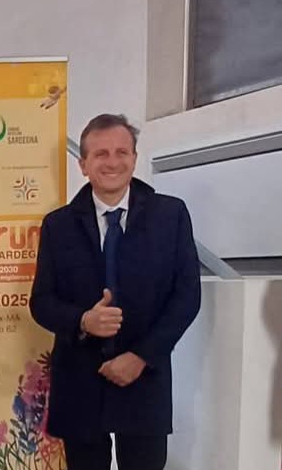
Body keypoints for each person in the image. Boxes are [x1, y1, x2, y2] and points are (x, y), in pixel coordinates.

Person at [29, 114, 201, 470]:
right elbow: (42, 302)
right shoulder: (58, 225)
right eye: (101, 154)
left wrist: (140, 357)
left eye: (122, 152)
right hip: (80, 382)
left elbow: (186, 297)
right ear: (83, 164)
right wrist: (83, 320)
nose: (112, 162)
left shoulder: (170, 215)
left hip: (144, 378)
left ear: (135, 159)